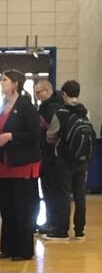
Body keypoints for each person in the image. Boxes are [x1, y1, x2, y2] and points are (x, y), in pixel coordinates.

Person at [0, 69, 41, 261]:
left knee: (22, 207)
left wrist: (11, 137)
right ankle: (9, 247)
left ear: (15, 84)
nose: (1, 83)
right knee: (7, 207)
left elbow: (35, 135)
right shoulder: (3, 106)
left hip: (22, 164)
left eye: (5, 80)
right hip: (4, 163)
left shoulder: (26, 106)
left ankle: (24, 249)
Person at [45, 80, 92, 241]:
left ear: (64, 94)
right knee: (80, 194)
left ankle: (61, 231)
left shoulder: (61, 113)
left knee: (63, 195)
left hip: (65, 159)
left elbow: (50, 136)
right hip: (82, 159)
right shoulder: (85, 112)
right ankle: (80, 231)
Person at [33, 79, 64, 235]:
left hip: (52, 155)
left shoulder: (51, 108)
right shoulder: (48, 106)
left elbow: (51, 132)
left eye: (39, 92)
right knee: (49, 191)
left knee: (51, 191)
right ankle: (51, 221)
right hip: (49, 154)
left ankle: (54, 222)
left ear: (48, 91)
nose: (37, 95)